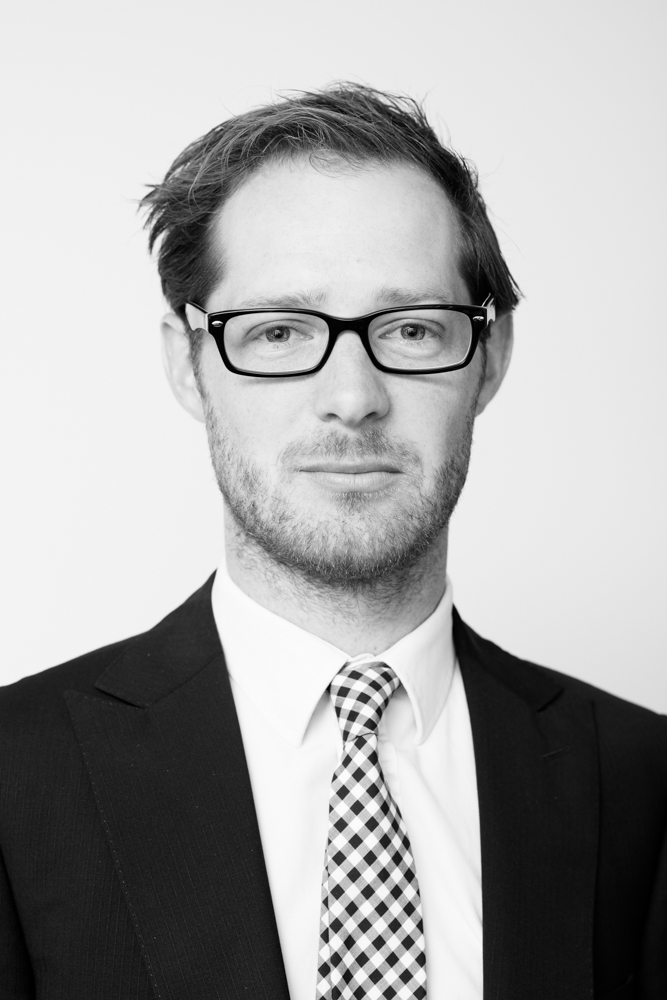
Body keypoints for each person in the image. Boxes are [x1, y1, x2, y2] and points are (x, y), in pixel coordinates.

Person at [0, 84, 665, 1000]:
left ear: (490, 357)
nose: (352, 398)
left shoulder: (641, 781)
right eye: (278, 331)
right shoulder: (16, 776)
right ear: (188, 364)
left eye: (412, 329)